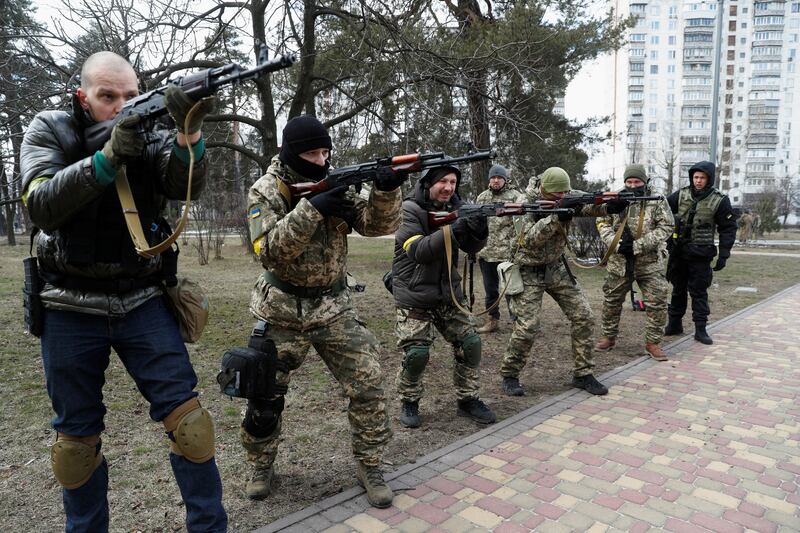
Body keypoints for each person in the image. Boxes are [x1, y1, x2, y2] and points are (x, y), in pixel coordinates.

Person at [20, 52, 227, 531]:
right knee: (76, 444)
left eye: (130, 97)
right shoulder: (49, 129)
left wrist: (188, 132)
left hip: (143, 299)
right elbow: (43, 205)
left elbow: (185, 186)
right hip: (67, 305)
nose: (121, 106)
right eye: (107, 97)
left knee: (191, 426)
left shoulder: (151, 131)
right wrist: (109, 156)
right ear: (82, 97)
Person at [243, 115, 402, 508]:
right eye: (312, 152)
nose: (321, 158)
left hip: (333, 308)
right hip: (280, 311)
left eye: (325, 151)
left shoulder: (334, 182)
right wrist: (312, 208)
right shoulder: (266, 190)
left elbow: (374, 225)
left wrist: (386, 190)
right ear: (291, 153)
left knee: (368, 383)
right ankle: (261, 466)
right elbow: (268, 252)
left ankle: (370, 464)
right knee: (264, 396)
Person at [499, 167, 629, 397]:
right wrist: (555, 217)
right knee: (528, 326)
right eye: (557, 196)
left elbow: (589, 205)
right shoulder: (523, 203)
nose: (562, 198)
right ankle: (510, 374)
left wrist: (610, 206)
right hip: (527, 268)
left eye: (565, 194)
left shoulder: (567, 195)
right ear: (545, 190)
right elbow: (528, 240)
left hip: (556, 266)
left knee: (584, 316)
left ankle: (583, 373)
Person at [391, 166, 496, 429]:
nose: (448, 188)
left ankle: (468, 399)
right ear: (427, 183)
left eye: (453, 182)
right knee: (416, 354)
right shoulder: (409, 210)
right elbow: (419, 251)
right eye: (442, 182)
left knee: (470, 344)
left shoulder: (454, 209)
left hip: (448, 292)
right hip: (415, 295)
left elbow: (471, 247)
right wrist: (454, 227)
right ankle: (409, 400)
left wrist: (478, 229)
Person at [594, 164, 675, 361]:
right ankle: (608, 337)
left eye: (637, 181)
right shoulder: (615, 199)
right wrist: (614, 242)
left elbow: (667, 226)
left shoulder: (656, 199)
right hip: (619, 262)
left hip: (649, 262)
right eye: (629, 182)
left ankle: (653, 343)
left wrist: (637, 246)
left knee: (657, 302)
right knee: (611, 301)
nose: (632, 185)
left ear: (644, 181)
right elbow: (601, 221)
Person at [664, 161, 737, 345]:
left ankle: (700, 329)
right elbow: (663, 211)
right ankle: (674, 324)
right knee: (677, 289)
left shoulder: (719, 200)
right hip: (679, 252)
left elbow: (728, 228)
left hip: (700, 255)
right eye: (696, 177)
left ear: (709, 179)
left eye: (702, 178)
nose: (698, 181)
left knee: (698, 292)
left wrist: (724, 254)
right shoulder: (681, 195)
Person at [474, 164, 524, 333]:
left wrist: (517, 248)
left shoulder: (516, 197)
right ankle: (492, 320)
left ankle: (517, 322)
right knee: (490, 291)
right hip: (486, 253)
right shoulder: (482, 198)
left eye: (499, 177)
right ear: (489, 179)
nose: (496, 180)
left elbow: (522, 224)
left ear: (505, 179)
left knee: (511, 290)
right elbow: (475, 224)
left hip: (507, 254)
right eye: (493, 177)